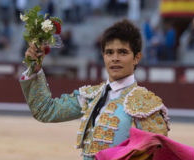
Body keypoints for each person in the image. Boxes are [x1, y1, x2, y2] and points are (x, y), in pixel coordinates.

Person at [19, 19, 170, 160]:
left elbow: (156, 155)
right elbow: (45, 111)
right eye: (109, 52)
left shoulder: (146, 105)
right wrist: (35, 69)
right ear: (103, 56)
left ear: (137, 57)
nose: (115, 58)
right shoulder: (91, 96)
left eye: (122, 52)